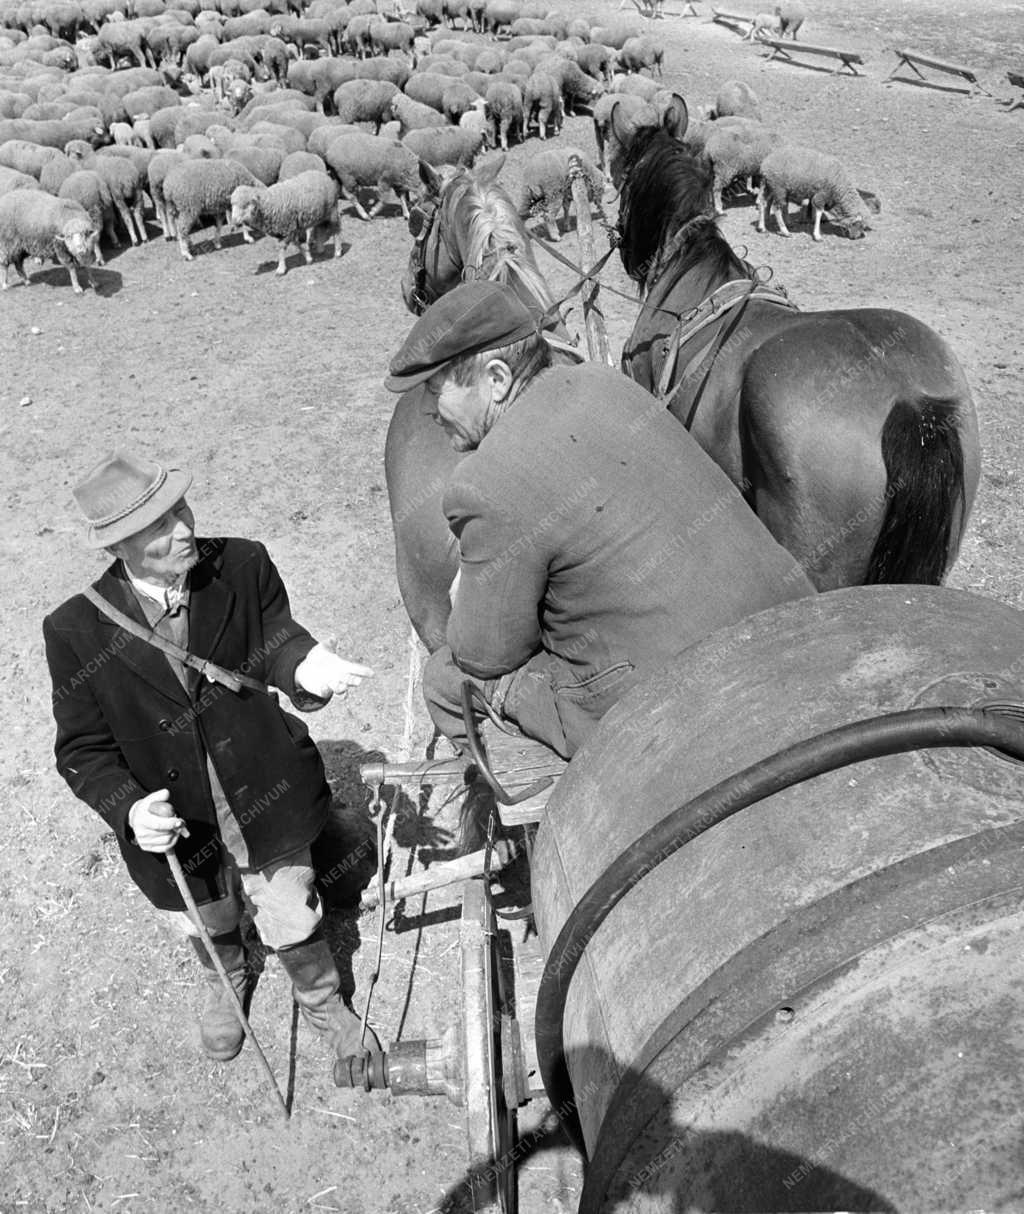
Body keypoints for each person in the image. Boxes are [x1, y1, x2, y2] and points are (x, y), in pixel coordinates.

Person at [384, 280, 817, 772]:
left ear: (498, 379)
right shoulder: (605, 382)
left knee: (446, 679)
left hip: (678, 698)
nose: (428, 412)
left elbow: (485, 654)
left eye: (437, 391)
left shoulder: (485, 481)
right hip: (788, 624)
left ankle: (554, 824)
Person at [43, 452, 380, 1070]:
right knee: (209, 915)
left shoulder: (242, 563)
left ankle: (322, 1000)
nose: (184, 529)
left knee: (289, 906)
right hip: (181, 821)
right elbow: (82, 750)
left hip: (262, 790)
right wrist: (128, 809)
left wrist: (306, 666)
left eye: (180, 510)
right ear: (118, 548)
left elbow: (277, 639)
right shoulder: (73, 630)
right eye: (159, 527)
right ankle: (228, 982)